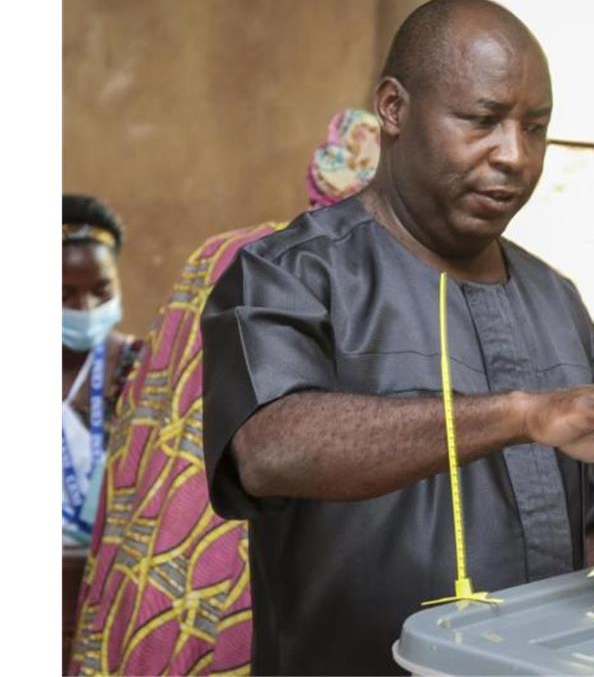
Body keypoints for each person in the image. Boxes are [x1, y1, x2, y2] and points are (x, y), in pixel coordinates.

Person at [201, 0, 594, 675]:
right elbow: (269, 447)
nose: (515, 155)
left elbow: (581, 539)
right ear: (393, 108)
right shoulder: (291, 274)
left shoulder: (557, 301)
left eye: (535, 127)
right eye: (483, 121)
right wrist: (521, 414)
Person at [68, 109, 381, 676]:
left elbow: (146, 417)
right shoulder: (376, 287)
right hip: (281, 556)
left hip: (170, 542)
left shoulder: (222, 254)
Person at [62, 193, 143, 547]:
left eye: (102, 290)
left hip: (115, 576)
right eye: (63, 294)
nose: (86, 307)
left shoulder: (141, 368)